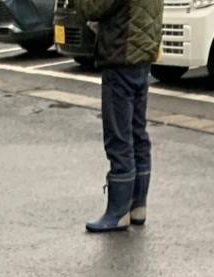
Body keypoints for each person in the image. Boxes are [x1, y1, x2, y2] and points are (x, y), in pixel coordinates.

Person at [78, 0, 165, 232]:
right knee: (137, 131)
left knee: (119, 135)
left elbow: (93, 7)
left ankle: (118, 212)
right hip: (142, 52)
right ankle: (138, 206)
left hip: (122, 52)